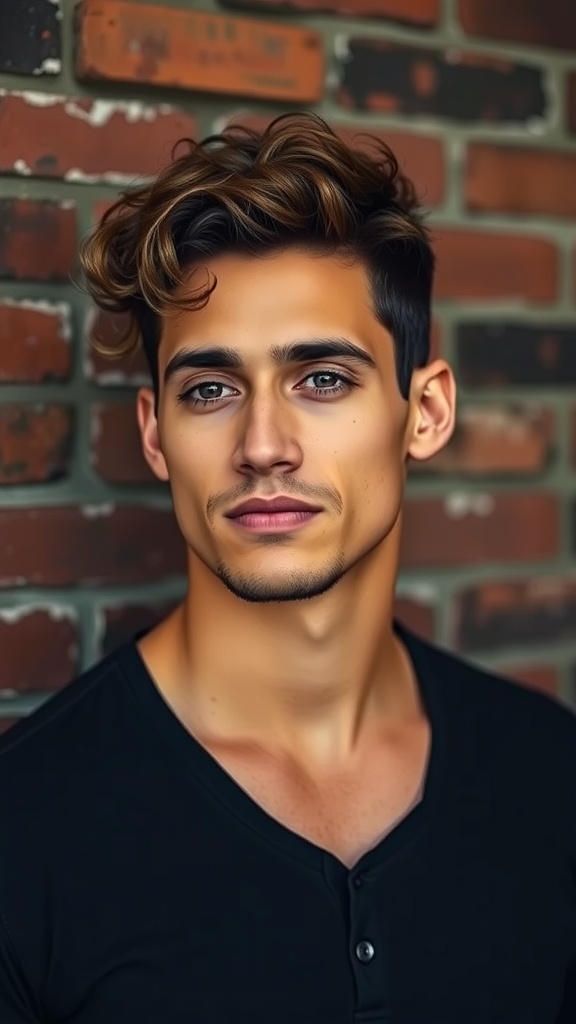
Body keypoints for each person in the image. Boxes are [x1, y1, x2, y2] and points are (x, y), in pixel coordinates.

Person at [0, 112, 575, 1024]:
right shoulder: (23, 832)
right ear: (156, 434)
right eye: (211, 390)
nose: (263, 447)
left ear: (424, 411)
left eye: (323, 379)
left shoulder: (553, 775)